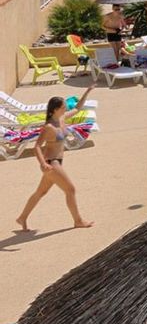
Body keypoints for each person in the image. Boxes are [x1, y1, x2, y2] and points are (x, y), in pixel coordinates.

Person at [16, 85, 96, 231]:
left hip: (56, 162)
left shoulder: (62, 119)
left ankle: (22, 218)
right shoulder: (49, 127)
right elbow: (37, 146)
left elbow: (78, 108)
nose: (66, 109)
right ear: (55, 109)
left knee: (41, 192)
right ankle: (78, 221)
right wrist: (42, 164)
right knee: (70, 190)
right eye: (63, 107)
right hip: (51, 164)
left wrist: (88, 91)